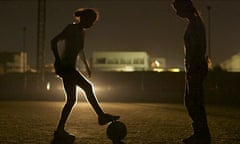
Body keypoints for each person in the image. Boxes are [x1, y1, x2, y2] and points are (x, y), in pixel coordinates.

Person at [51, 8, 120, 139]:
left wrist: (86, 66)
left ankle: (59, 131)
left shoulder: (82, 32)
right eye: (91, 21)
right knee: (87, 88)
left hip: (70, 68)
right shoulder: (71, 29)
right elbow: (54, 41)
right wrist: (58, 59)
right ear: (84, 19)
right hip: (65, 67)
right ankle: (101, 116)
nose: (92, 24)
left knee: (71, 100)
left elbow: (80, 50)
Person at [172, 0, 211, 143]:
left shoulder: (195, 24)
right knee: (192, 101)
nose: (176, 13)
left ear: (184, 8)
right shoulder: (195, 22)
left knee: (193, 101)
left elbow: (196, 48)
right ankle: (201, 134)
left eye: (177, 9)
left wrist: (192, 67)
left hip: (195, 67)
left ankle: (202, 135)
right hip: (195, 67)